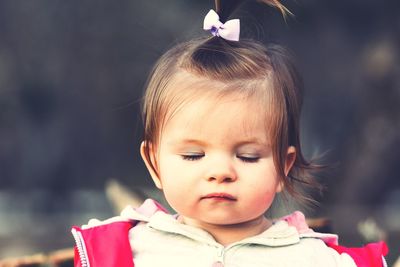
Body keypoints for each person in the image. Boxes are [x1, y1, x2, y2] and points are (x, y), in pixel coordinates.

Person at [71, 1, 388, 266]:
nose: (220, 172)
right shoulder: (127, 251)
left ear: (283, 166)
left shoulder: (312, 258)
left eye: (248, 156)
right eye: (194, 155)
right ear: (154, 163)